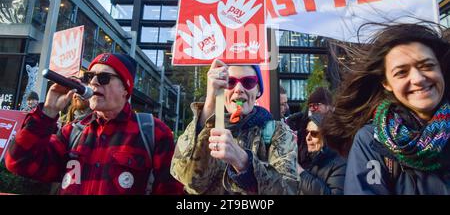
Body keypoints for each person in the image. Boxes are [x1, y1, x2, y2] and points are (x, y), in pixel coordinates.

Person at [5, 53, 183, 195]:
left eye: (104, 77)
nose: (94, 82)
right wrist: (48, 112)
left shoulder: (152, 132)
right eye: (90, 76)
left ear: (125, 90)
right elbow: (19, 162)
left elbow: (171, 190)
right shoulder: (73, 132)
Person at [322, 23, 450, 195]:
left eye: (427, 66)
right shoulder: (371, 140)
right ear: (386, 83)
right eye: (401, 72)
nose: (418, 79)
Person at [170, 59, 298, 194]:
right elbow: (187, 179)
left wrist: (243, 162)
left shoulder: (277, 132)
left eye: (248, 82)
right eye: (230, 82)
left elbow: (289, 190)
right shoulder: (205, 125)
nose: (238, 89)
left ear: (258, 90)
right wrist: (209, 106)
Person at [296, 113, 346, 195]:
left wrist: (301, 173)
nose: (308, 138)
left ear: (326, 137)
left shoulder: (340, 164)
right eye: (306, 132)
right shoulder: (306, 158)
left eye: (314, 133)